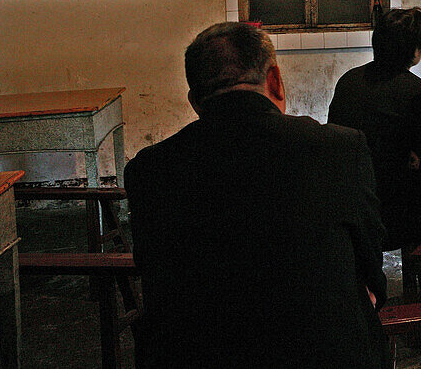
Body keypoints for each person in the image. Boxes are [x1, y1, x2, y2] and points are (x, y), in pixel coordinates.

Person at [125, 22, 390, 369]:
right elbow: (370, 260)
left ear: (195, 101)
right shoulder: (338, 148)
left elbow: (155, 275)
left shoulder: (149, 169)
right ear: (275, 80)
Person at [328, 7, 421, 265]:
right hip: (396, 214)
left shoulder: (348, 82)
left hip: (350, 203)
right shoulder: (418, 93)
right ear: (415, 52)